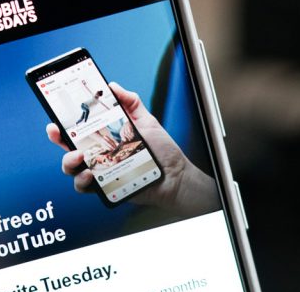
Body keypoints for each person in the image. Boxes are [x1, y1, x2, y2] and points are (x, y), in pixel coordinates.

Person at [46, 82, 220, 216]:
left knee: (84, 121)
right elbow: (95, 124)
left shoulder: (109, 105)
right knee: (83, 121)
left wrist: (178, 183)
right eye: (107, 160)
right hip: (100, 124)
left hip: (116, 131)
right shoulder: (97, 107)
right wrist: (178, 185)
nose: (109, 159)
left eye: (104, 159)